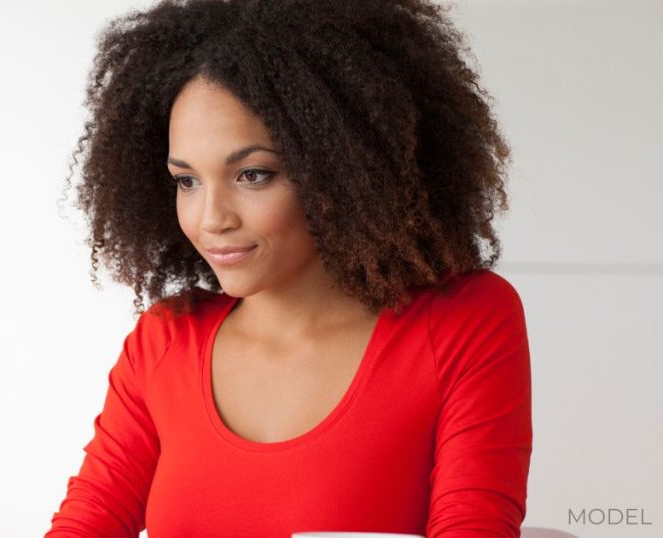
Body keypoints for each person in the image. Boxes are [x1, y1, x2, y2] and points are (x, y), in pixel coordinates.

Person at [47, 0, 532, 536]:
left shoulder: (461, 321)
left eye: (253, 175)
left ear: (344, 169)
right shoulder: (165, 343)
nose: (212, 219)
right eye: (186, 181)